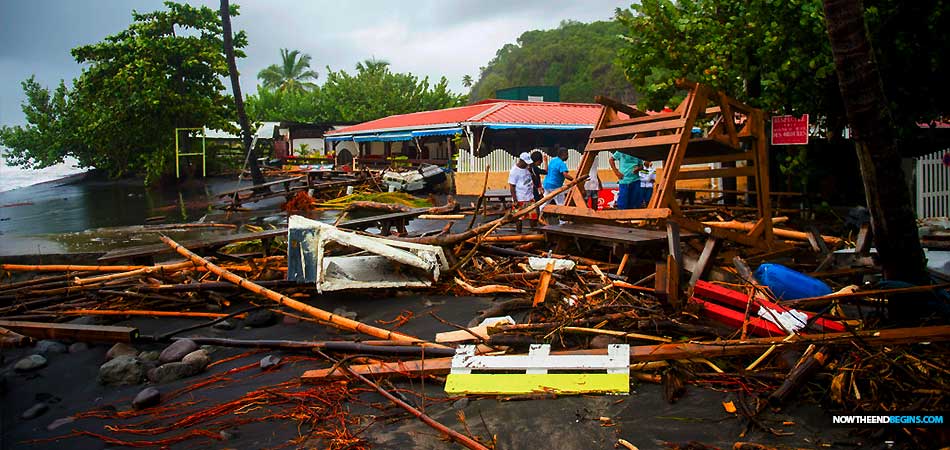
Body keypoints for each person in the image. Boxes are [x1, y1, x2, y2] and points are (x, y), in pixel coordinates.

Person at [508, 152, 536, 232]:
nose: (527, 165)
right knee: (518, 219)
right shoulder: (514, 171)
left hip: (530, 197)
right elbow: (512, 186)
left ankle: (533, 234)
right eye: (526, 163)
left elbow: (534, 180)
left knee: (533, 218)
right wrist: (515, 200)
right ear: (521, 161)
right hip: (520, 198)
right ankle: (518, 234)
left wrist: (531, 171)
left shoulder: (528, 169)